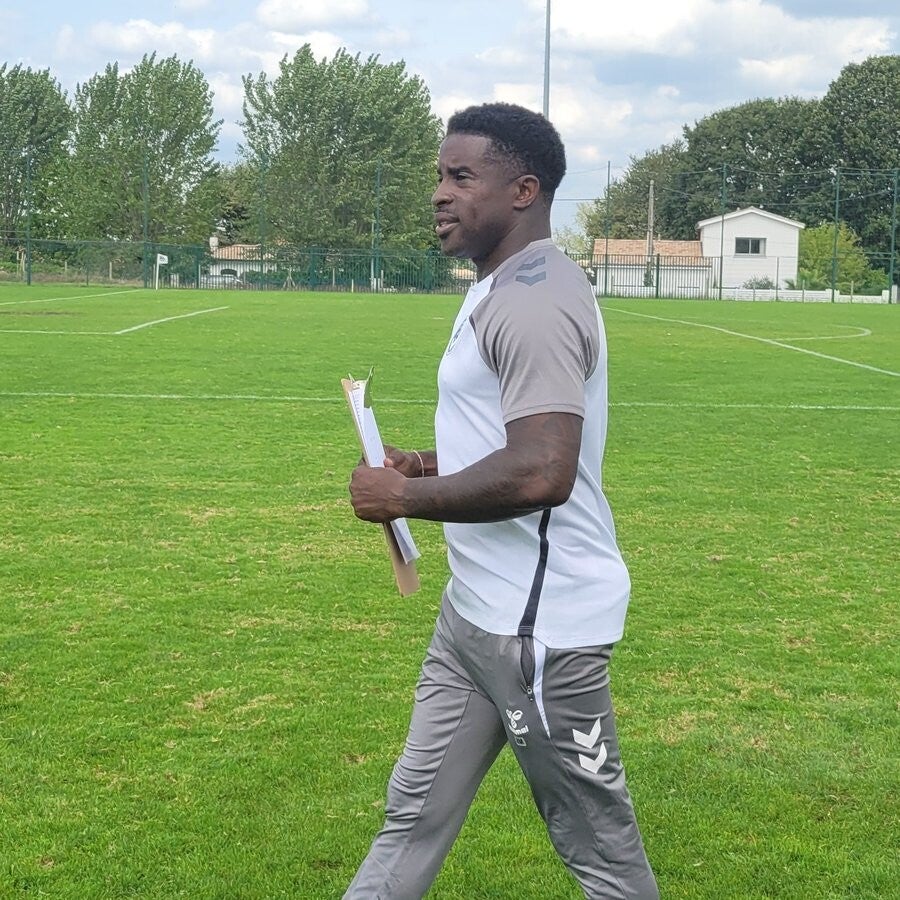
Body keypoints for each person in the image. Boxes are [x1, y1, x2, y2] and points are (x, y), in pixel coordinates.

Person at [346, 102, 658, 900]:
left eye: (461, 176)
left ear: (523, 190)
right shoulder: (501, 283)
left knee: (602, 857)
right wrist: (421, 462)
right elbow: (504, 437)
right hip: (472, 616)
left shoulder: (534, 298)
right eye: (438, 176)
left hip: (540, 633)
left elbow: (542, 470)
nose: (439, 194)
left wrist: (407, 495)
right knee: (413, 817)